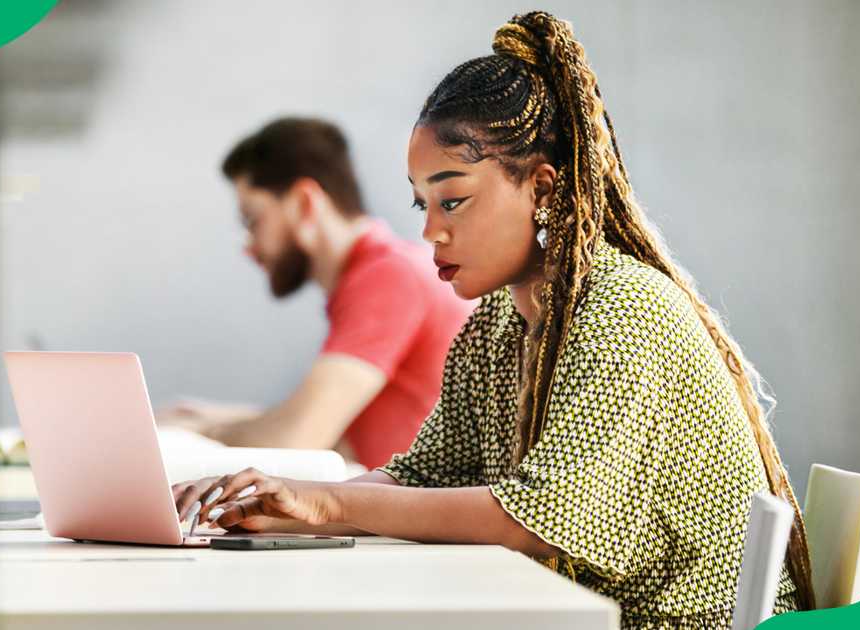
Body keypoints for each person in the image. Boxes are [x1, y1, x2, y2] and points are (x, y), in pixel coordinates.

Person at [170, 12, 816, 629]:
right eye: (421, 202)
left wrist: (329, 502)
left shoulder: (625, 308)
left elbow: (539, 517)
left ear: (542, 187)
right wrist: (276, 507)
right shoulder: (496, 324)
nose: (430, 230)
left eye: (454, 200)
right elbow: (425, 474)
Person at [160, 118, 474, 470]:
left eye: (253, 220)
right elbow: (338, 435)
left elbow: (296, 440)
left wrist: (198, 431)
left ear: (305, 202)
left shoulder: (389, 277)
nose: (248, 247)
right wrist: (210, 417)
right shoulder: (389, 272)